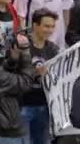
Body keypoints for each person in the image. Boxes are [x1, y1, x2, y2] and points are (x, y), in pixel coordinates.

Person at [20, 8, 60, 144]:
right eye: (46, 26)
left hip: (44, 105)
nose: (50, 30)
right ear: (35, 25)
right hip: (24, 104)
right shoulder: (22, 47)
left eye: (53, 26)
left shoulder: (54, 49)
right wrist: (36, 72)